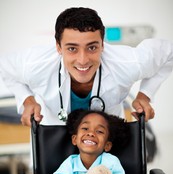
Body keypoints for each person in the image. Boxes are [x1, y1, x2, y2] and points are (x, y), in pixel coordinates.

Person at [0, 7, 173, 126]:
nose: (83, 60)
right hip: (54, 139)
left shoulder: (128, 63)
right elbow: (5, 67)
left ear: (103, 45)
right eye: (72, 48)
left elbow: (169, 52)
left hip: (108, 139)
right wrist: (27, 100)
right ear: (59, 47)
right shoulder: (35, 65)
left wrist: (145, 95)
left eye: (92, 47)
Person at [53, 109, 130, 174]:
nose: (91, 133)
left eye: (99, 131)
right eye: (85, 128)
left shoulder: (112, 162)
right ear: (75, 139)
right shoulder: (67, 166)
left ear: (107, 145)